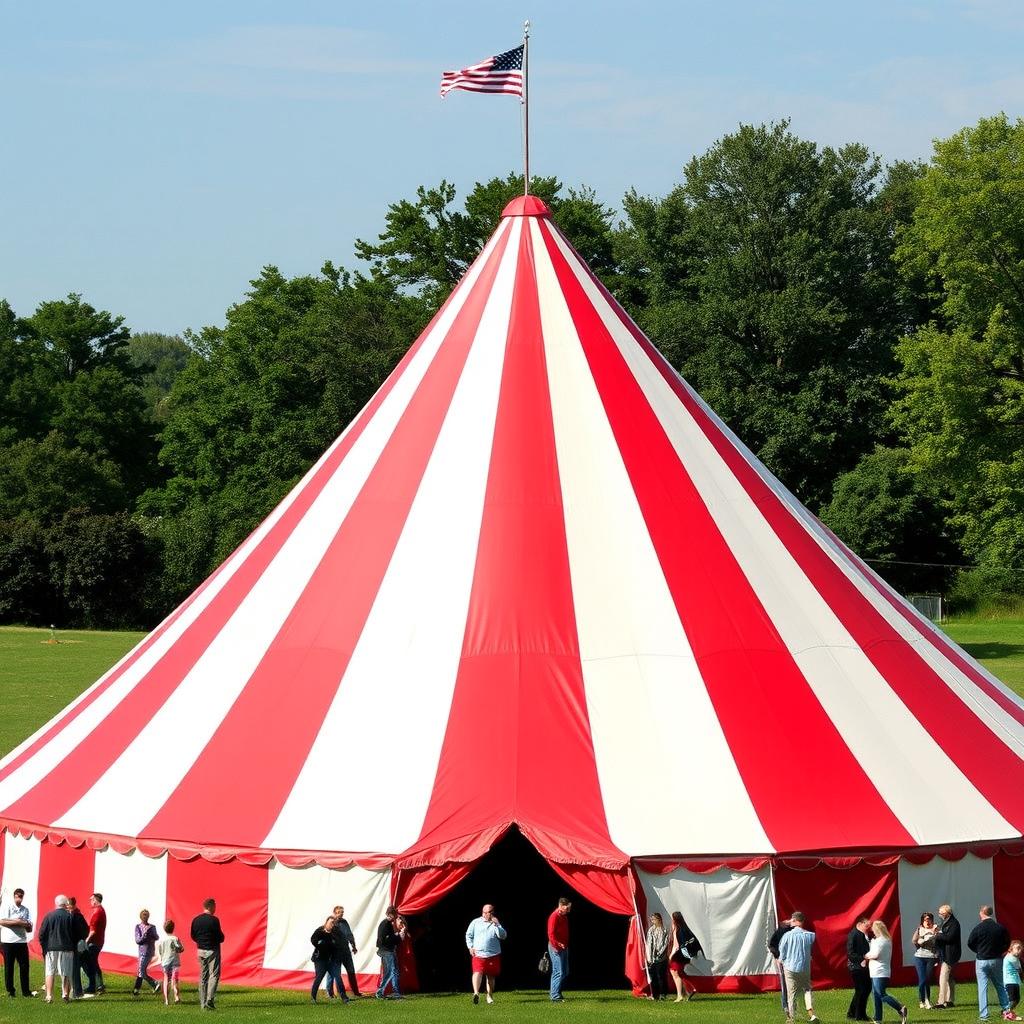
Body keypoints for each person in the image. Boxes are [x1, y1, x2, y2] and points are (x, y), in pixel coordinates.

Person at [967, 904, 1022, 1021]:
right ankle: (1007, 1011)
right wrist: (1001, 951)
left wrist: (979, 951)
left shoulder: (978, 928)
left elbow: (970, 942)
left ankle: (984, 1015)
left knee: (982, 988)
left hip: (981, 960)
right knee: (1000, 986)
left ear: (982, 913)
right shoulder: (1000, 928)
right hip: (996, 960)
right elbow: (1007, 942)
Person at [863, 920, 908, 1023]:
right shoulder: (887, 940)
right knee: (876, 995)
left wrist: (866, 956)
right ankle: (878, 1018)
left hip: (878, 971)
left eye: (874, 930)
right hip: (881, 971)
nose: (873, 932)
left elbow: (875, 954)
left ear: (877, 929)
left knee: (881, 994)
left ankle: (900, 1008)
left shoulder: (879, 941)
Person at [778, 911, 818, 1023]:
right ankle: (811, 1014)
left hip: (789, 967)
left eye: (792, 919)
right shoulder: (810, 935)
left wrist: (781, 960)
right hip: (804, 967)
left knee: (791, 993)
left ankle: (791, 1017)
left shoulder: (787, 936)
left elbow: (782, 953)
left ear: (795, 920)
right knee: (807, 990)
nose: (790, 921)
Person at [466, 903, 507, 1004]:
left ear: (493, 912)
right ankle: (476, 993)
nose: (487, 914)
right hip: (478, 954)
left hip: (493, 954)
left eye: (489, 912)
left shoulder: (495, 923)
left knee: (491, 976)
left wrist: (497, 925)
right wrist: (470, 947)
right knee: (477, 972)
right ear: (482, 912)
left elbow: (503, 936)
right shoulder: (475, 922)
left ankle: (489, 996)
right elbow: (468, 935)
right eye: (485, 912)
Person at [38, 895, 76, 1004]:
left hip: (51, 948)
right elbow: (74, 933)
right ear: (65, 904)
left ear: (56, 903)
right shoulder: (69, 916)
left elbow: (41, 934)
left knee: (50, 972)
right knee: (66, 972)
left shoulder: (49, 916)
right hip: (67, 948)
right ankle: (65, 994)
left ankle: (49, 995)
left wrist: (45, 947)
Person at [0, 886, 36, 998]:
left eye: (20, 896)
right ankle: (11, 991)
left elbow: (28, 926)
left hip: (21, 941)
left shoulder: (25, 910)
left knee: (24, 966)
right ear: (14, 896)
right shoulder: (7, 906)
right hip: (8, 941)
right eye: (17, 896)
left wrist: (27, 925)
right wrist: (18, 922)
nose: (19, 899)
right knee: (9, 967)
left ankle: (26, 991)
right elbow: (2, 921)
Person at [190, 897, 225, 1010]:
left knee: (203, 976)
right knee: (214, 975)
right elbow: (220, 937)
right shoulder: (214, 920)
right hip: (212, 950)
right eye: (215, 906)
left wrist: (201, 942)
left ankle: (202, 1002)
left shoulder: (196, 920)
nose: (215, 908)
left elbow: (193, 936)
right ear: (211, 906)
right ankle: (210, 1000)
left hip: (200, 950)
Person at [327, 905, 360, 1000]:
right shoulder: (331, 922)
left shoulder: (344, 922)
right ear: (334, 913)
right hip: (335, 952)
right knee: (333, 973)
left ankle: (356, 991)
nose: (341, 914)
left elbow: (349, 934)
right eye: (339, 912)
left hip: (346, 951)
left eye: (342, 912)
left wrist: (353, 946)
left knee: (351, 970)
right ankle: (330, 993)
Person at [669, 910, 702, 1002]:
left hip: (678, 955)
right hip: (684, 956)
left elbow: (676, 945)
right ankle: (691, 989)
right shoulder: (684, 928)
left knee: (675, 973)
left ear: (675, 919)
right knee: (680, 973)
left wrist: (671, 956)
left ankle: (680, 995)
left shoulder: (677, 930)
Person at [375, 905, 407, 999]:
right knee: (392, 972)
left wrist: (396, 935)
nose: (395, 917)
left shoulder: (387, 924)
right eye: (395, 915)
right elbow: (384, 940)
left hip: (386, 950)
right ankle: (383, 991)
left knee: (391, 971)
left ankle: (392, 991)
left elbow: (388, 938)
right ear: (391, 914)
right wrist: (398, 936)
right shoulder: (385, 924)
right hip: (386, 950)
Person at [310, 916, 344, 1003]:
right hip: (320, 959)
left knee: (338, 977)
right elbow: (313, 939)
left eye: (333, 923)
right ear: (326, 922)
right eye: (330, 922)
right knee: (319, 977)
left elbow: (337, 946)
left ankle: (345, 998)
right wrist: (319, 945)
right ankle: (313, 998)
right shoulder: (320, 931)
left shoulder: (333, 934)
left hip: (330, 960)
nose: (332, 925)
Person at [933, 903, 961, 1009]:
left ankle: (941, 1002)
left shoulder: (954, 923)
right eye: (939, 913)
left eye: (942, 913)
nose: (940, 915)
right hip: (945, 953)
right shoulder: (946, 922)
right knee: (949, 978)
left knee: (943, 977)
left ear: (947, 913)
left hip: (950, 954)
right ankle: (950, 1000)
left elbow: (949, 938)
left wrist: (937, 935)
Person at [846, 915, 872, 1021]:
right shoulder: (854, 934)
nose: (869, 928)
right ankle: (860, 1015)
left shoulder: (863, 935)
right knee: (862, 990)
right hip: (857, 967)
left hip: (863, 967)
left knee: (862, 990)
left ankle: (853, 1013)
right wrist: (862, 959)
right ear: (860, 924)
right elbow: (850, 953)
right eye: (867, 926)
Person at [911, 911, 938, 1010]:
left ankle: (927, 1000)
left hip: (931, 957)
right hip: (919, 957)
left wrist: (933, 936)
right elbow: (914, 941)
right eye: (925, 919)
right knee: (922, 980)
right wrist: (920, 940)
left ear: (932, 920)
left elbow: (938, 942)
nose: (927, 921)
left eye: (929, 919)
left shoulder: (935, 928)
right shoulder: (919, 929)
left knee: (927, 979)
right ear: (922, 921)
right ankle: (922, 1000)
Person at [547, 897, 571, 1003]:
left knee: (565, 972)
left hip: (564, 947)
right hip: (555, 948)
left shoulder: (564, 917)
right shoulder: (554, 916)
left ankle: (556, 991)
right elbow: (551, 934)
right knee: (558, 971)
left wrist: (564, 945)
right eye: (567, 908)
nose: (569, 910)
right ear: (561, 906)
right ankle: (554, 996)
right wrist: (556, 945)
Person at [82, 892, 106, 996]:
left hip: (94, 942)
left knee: (88, 963)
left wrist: (85, 941)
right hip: (98, 941)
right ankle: (98, 985)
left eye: (91, 899)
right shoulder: (100, 911)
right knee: (93, 963)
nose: (90, 901)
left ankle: (94, 985)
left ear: (96, 900)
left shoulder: (97, 913)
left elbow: (93, 931)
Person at [133, 908, 161, 996]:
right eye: (144, 916)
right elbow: (138, 940)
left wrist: (150, 934)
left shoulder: (152, 927)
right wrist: (145, 936)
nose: (145, 917)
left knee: (141, 970)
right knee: (141, 970)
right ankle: (136, 989)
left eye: (146, 916)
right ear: (141, 917)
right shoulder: (138, 927)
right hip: (141, 952)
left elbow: (157, 937)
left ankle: (155, 983)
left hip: (148, 952)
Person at [769, 916, 794, 1016]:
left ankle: (791, 1006)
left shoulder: (796, 932)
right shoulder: (781, 931)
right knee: (785, 984)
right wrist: (778, 957)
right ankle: (786, 1006)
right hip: (784, 961)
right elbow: (772, 945)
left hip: (793, 961)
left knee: (791, 985)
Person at [156, 920, 184, 1006]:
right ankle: (176, 996)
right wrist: (179, 949)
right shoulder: (175, 938)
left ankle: (167, 1000)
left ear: (164, 929)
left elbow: (160, 951)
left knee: (166, 979)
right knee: (175, 979)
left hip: (165, 962)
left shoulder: (161, 940)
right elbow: (180, 948)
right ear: (173, 928)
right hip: (174, 962)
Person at [66, 897, 88, 999]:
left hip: (74, 946)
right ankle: (76, 990)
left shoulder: (75, 916)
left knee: (74, 969)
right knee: (74, 969)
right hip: (76, 945)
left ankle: (76, 991)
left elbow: (84, 931)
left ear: (71, 905)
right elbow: (86, 930)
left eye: (68, 905)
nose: (66, 907)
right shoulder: (79, 916)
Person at [645, 912, 669, 1001]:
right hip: (652, 958)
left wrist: (659, 953)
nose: (652, 921)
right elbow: (648, 943)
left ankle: (663, 994)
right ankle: (655, 995)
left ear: (659, 919)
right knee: (653, 977)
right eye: (651, 919)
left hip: (661, 958)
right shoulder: (651, 930)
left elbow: (665, 943)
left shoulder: (664, 930)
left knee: (661, 976)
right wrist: (649, 957)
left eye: (654, 919)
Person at [1006, 940, 1024, 1014]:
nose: (1019, 951)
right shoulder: (1011, 958)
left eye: (1020, 949)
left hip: (1014, 981)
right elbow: (1020, 970)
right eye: (1017, 948)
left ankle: (1009, 1012)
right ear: (1010, 949)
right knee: (1013, 999)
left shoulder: (1016, 958)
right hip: (1010, 982)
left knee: (1017, 999)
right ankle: (1006, 1012)